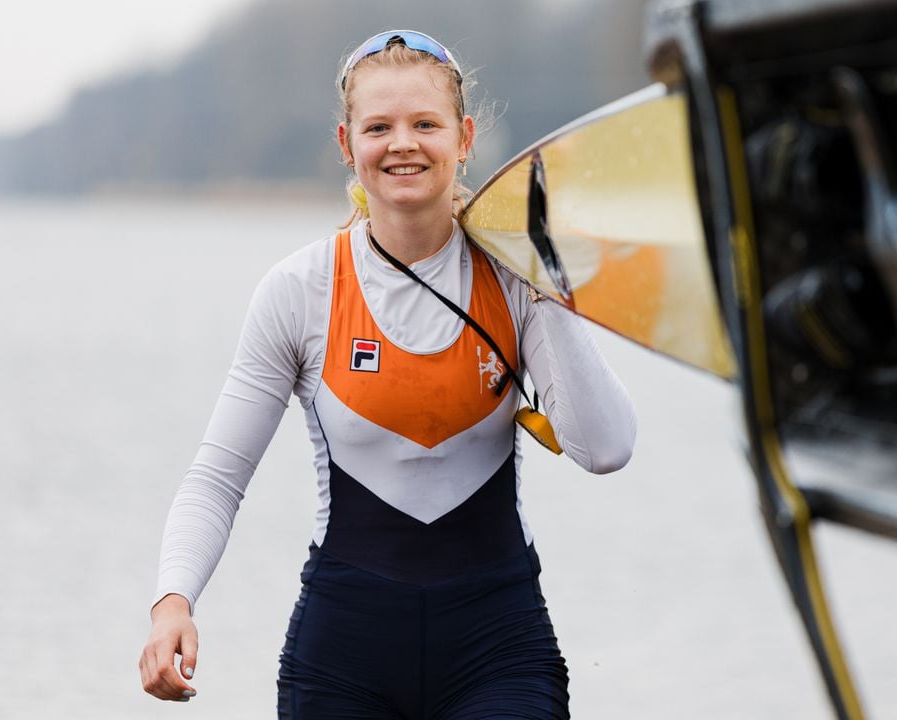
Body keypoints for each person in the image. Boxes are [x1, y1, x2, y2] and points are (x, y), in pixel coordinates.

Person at [138, 29, 637, 719]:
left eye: (424, 124)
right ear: (348, 145)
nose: (402, 143)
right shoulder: (302, 291)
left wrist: (549, 281)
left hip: (499, 646)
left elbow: (606, 450)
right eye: (379, 127)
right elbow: (218, 479)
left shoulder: (515, 278)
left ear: (463, 139)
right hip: (344, 653)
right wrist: (173, 603)